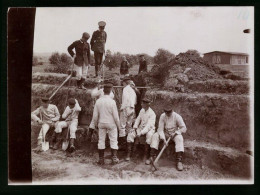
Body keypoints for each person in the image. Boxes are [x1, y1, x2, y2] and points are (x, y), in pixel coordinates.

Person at [150, 105, 187, 171]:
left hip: (174, 133)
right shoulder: (162, 116)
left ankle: (179, 161)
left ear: (172, 111)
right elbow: (160, 129)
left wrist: (175, 133)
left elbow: (184, 128)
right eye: (166, 112)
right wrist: (164, 139)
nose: (167, 114)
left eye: (169, 112)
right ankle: (153, 157)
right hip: (165, 133)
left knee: (180, 139)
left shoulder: (177, 116)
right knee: (155, 136)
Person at [92, 83, 121, 165]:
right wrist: (119, 127)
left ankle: (101, 159)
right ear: (111, 91)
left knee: (101, 141)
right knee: (113, 140)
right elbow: (116, 117)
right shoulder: (112, 102)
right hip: (111, 124)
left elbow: (95, 115)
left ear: (103, 91)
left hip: (101, 123)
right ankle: (114, 159)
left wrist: (96, 124)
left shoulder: (98, 101)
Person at [126, 97, 156, 164]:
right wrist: (134, 128)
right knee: (130, 134)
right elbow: (138, 119)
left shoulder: (152, 114)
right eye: (142, 103)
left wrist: (141, 133)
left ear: (147, 105)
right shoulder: (142, 110)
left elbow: (149, 126)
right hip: (141, 128)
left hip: (149, 129)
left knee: (149, 135)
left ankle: (146, 154)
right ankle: (129, 153)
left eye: (143, 103)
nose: (142, 104)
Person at [118, 77, 137, 150]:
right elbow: (135, 101)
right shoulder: (132, 90)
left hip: (126, 108)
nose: (122, 84)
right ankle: (128, 143)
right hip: (132, 108)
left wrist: (122, 108)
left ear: (125, 83)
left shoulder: (126, 89)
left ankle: (122, 144)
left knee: (122, 126)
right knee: (129, 126)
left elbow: (125, 99)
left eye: (123, 83)